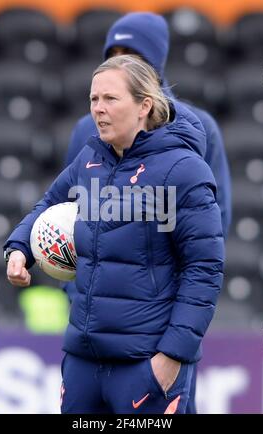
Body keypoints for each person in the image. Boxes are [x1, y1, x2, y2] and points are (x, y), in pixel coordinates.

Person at [4, 55, 224, 414]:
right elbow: (49, 203)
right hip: (82, 362)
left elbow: (204, 271)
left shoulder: (185, 171)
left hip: (145, 365)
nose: (98, 109)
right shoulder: (90, 157)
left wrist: (170, 358)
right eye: (94, 99)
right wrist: (18, 248)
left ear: (144, 106)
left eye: (110, 99)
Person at [63, 12, 232, 413]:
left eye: (133, 54)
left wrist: (173, 336)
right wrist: (80, 293)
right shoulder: (85, 131)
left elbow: (211, 229)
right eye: (114, 54)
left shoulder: (198, 128)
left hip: (159, 327)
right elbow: (70, 212)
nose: (121, 63)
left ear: (156, 66)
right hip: (94, 332)